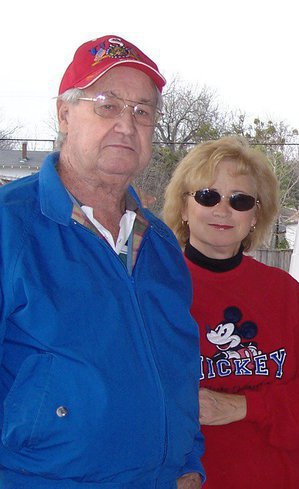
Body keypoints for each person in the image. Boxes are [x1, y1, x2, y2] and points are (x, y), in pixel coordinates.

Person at [0, 35, 203, 488]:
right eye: (107, 105)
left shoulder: (162, 244)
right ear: (64, 114)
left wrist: (190, 463)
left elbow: (179, 369)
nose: (126, 125)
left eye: (142, 111)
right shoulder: (11, 227)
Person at [162, 136, 299, 488]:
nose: (222, 209)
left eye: (240, 200)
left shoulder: (283, 292)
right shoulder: (156, 292)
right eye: (207, 195)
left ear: (255, 215)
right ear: (183, 208)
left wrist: (243, 407)